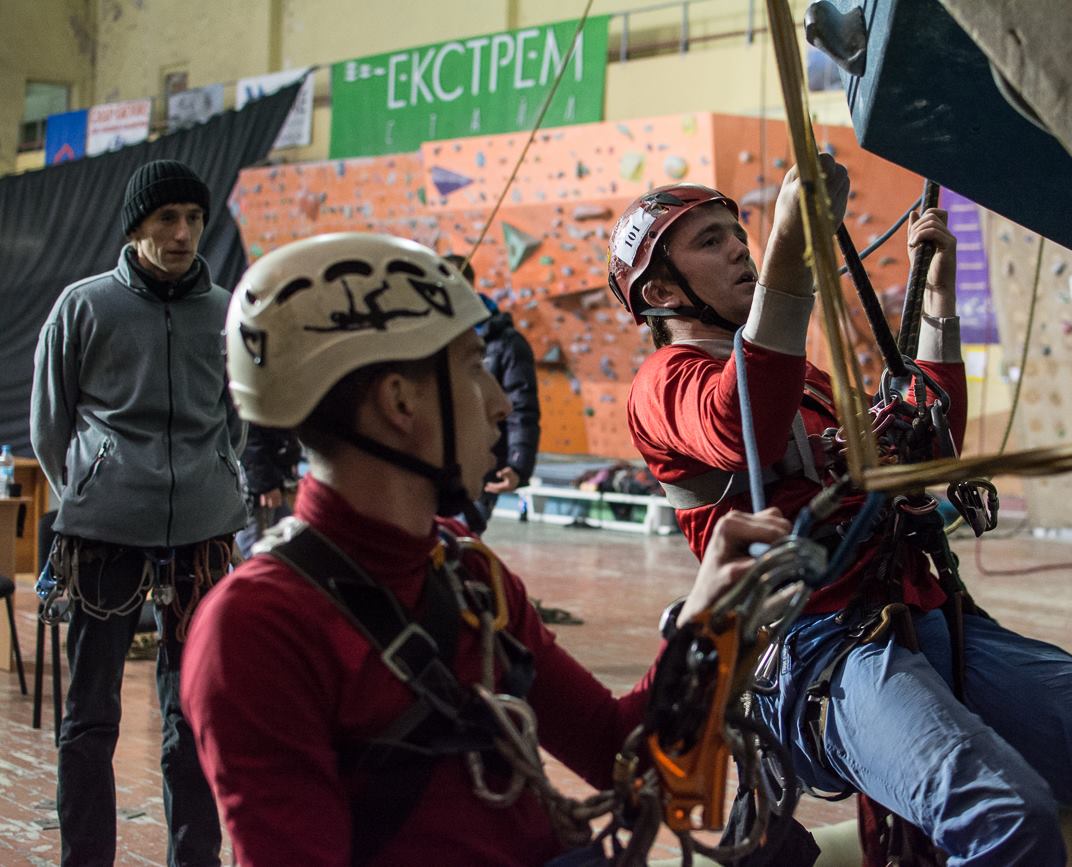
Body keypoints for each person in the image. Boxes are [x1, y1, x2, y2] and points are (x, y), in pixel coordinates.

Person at [611, 157, 1072, 866]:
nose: (737, 248)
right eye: (709, 242)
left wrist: (939, 301)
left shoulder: (802, 376)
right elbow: (743, 423)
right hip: (821, 651)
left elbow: (928, 436)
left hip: (921, 613)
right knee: (1003, 813)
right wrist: (790, 250)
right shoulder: (664, 384)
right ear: (662, 291)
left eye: (736, 233)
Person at [180, 232, 787, 865]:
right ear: (399, 402)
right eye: (474, 368)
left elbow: (614, 750)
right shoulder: (257, 631)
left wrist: (706, 615)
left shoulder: (462, 570)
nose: (501, 405)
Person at [30, 158, 246, 867]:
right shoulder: (84, 306)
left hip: (203, 537)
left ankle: (196, 858)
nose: (184, 233)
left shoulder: (225, 311)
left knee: (193, 713)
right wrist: (97, 484)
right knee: (90, 717)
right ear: (136, 226)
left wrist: (211, 475)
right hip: (103, 536)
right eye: (167, 220)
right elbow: (49, 426)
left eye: (194, 219)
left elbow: (234, 418)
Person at [444, 254, 540, 527]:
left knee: (458, 540)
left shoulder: (506, 343)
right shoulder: (429, 339)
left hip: (483, 461)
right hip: (435, 463)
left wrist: (518, 466)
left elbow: (521, 408)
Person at [234, 424, 302, 558]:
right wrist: (266, 486)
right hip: (257, 489)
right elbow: (251, 446)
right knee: (251, 546)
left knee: (287, 539)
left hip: (274, 479)